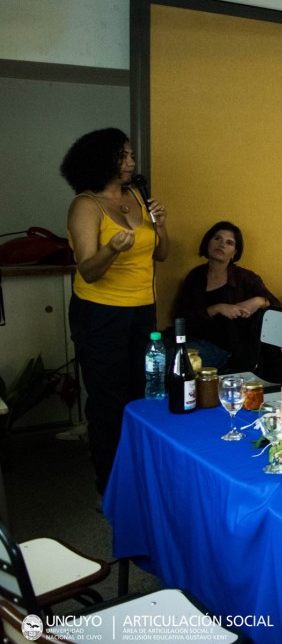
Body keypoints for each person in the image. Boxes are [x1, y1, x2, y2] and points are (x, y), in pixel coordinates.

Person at [62, 128, 169, 493]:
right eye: (122, 156)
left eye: (131, 155)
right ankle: (109, 486)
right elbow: (88, 271)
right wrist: (111, 249)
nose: (130, 162)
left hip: (142, 311)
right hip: (100, 314)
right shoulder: (86, 205)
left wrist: (161, 223)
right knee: (108, 401)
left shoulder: (137, 195)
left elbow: (162, 253)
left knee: (143, 394)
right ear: (102, 160)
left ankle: (139, 477)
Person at [173, 221, 278, 370]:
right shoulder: (195, 276)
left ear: (235, 252)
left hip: (225, 349)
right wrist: (217, 308)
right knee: (150, 354)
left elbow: (276, 305)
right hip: (192, 339)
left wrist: (258, 301)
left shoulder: (245, 278)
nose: (221, 245)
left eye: (229, 243)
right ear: (207, 242)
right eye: (217, 238)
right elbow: (182, 318)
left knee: (173, 360)